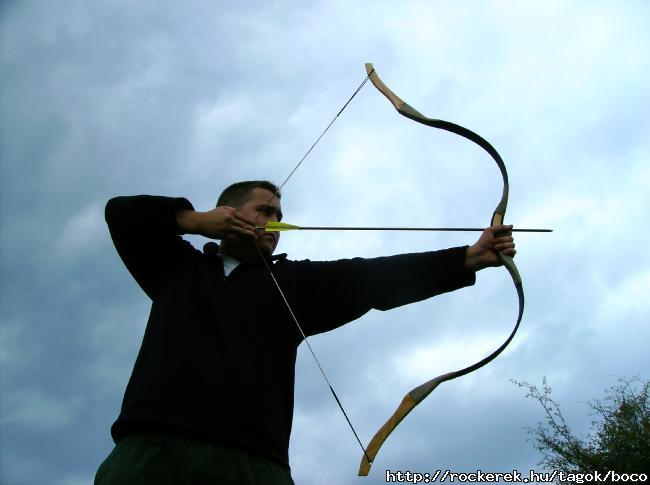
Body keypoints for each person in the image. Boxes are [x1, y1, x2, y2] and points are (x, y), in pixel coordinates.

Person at [94, 180, 516, 484]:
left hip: (254, 462)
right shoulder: (176, 269)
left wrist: (468, 257)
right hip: (151, 452)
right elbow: (122, 212)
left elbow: (372, 278)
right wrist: (193, 219)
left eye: (279, 216)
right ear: (228, 213)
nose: (274, 221)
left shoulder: (294, 285)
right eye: (264, 210)